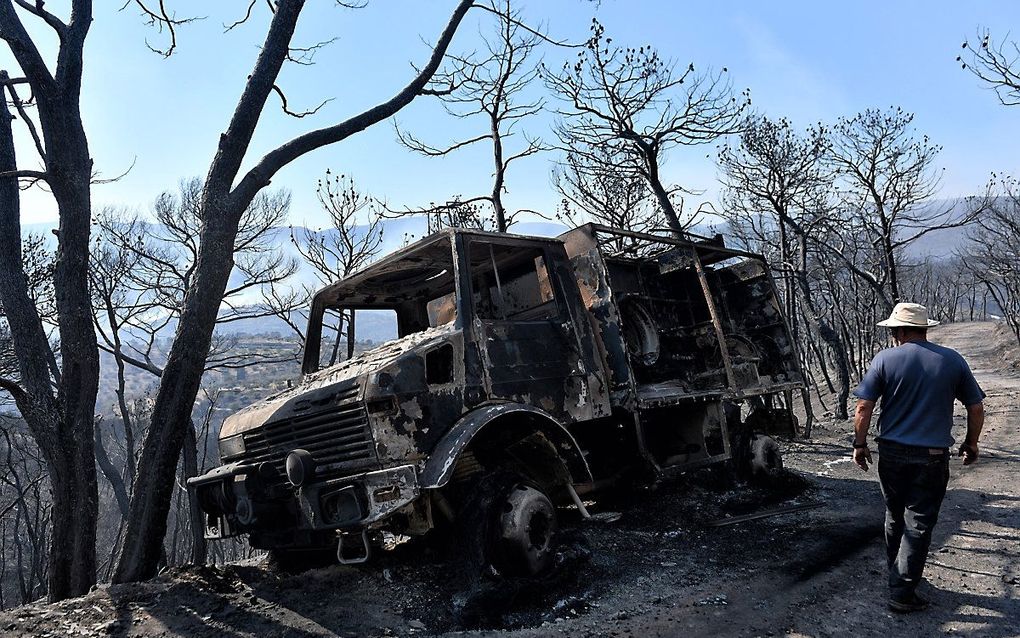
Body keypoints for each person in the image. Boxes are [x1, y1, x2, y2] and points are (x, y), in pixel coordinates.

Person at [851, 302, 985, 613]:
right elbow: (976, 408)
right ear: (925, 328)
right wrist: (971, 443)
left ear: (898, 330)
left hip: (892, 453)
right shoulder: (952, 360)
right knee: (919, 521)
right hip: (932, 456)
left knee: (895, 515)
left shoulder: (885, 359)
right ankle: (902, 590)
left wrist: (859, 444)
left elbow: (863, 408)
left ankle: (898, 575)